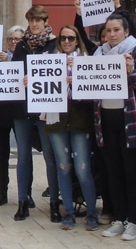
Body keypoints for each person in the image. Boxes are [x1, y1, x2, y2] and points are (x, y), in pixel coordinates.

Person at [94, 13, 136, 241]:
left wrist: (131, 71)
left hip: (132, 122)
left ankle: (133, 221)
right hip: (106, 122)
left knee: (131, 173)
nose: (112, 34)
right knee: (113, 172)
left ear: (126, 32)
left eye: (116, 30)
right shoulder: (98, 55)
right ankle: (119, 218)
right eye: (108, 30)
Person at [41, 24, 99, 231]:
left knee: (83, 169)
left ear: (77, 41)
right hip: (56, 121)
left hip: (80, 121)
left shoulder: (86, 61)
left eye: (71, 38)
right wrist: (29, 80)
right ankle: (69, 213)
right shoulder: (47, 60)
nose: (67, 42)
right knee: (63, 167)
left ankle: (92, 213)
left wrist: (76, 78)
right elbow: (40, 88)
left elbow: (94, 92)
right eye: (63, 38)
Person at [10, 5, 57, 222]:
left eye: (39, 20)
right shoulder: (22, 45)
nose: (35, 24)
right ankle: (22, 201)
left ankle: (54, 203)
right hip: (22, 109)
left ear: (46, 21)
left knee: (49, 156)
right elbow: (13, 73)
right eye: (32, 20)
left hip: (45, 108)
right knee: (23, 157)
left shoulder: (54, 44)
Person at [0, 25, 24, 206]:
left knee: (24, 155)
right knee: (2, 154)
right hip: (1, 111)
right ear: (7, 41)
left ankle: (26, 194)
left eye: (18, 39)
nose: (14, 42)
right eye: (11, 39)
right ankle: (2, 192)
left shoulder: (27, 57)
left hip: (20, 111)